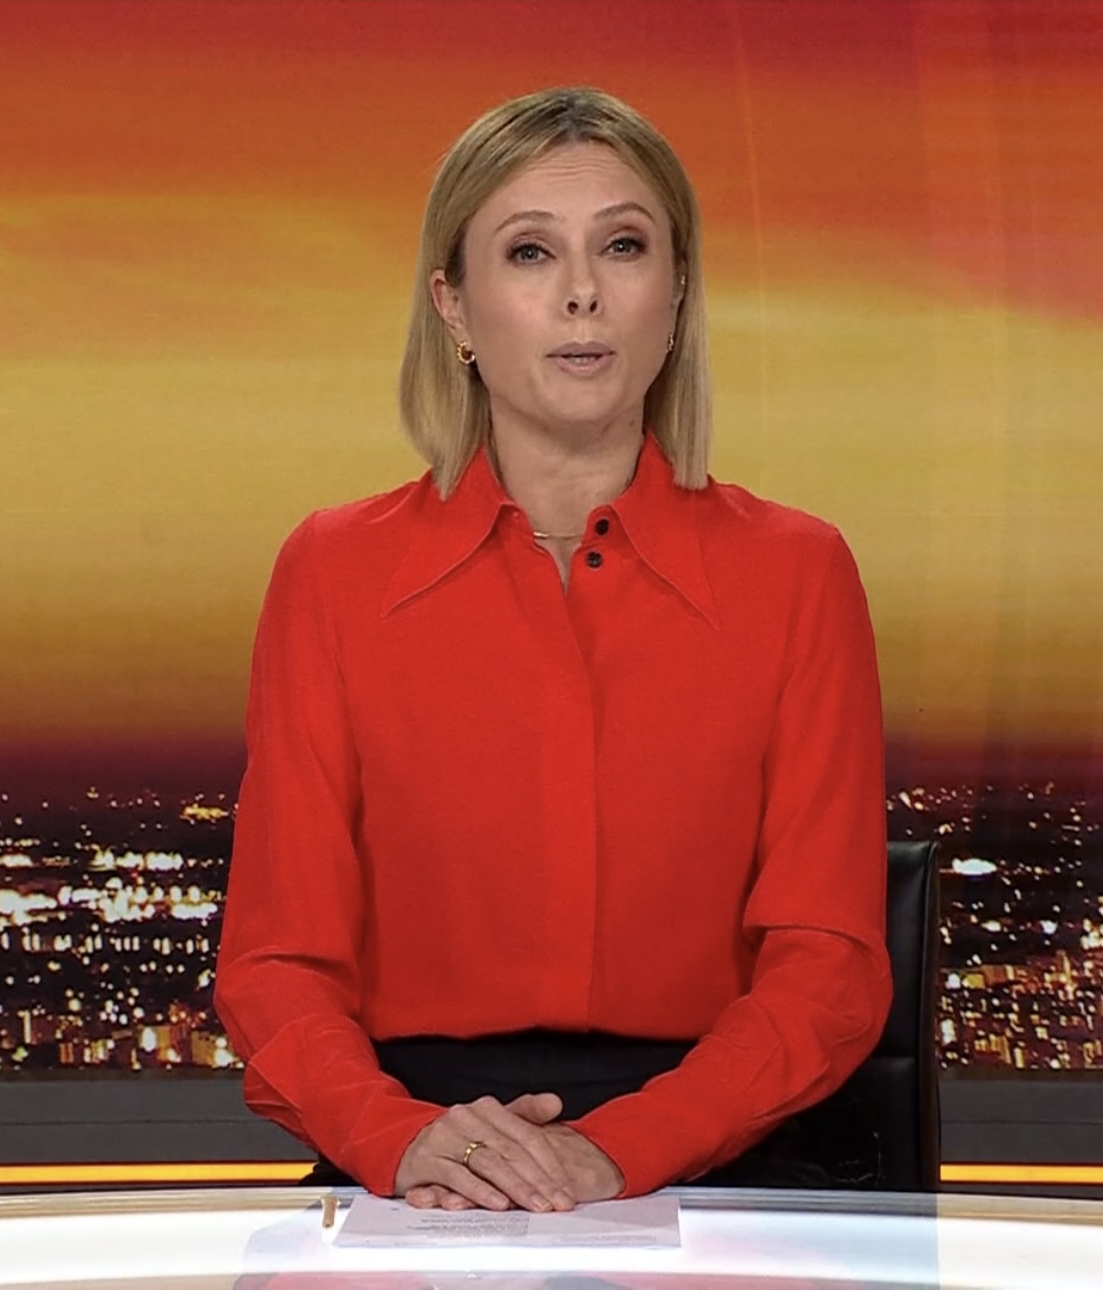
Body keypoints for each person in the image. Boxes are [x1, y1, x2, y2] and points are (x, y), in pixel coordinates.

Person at [214, 86, 890, 1214]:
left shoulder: (798, 572)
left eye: (623, 247)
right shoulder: (334, 572)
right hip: (417, 1159)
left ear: (675, 295)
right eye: (530, 252)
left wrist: (621, 1150)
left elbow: (828, 967)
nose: (582, 291)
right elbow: (276, 963)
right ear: (454, 306)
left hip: (717, 1154)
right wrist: (397, 1137)